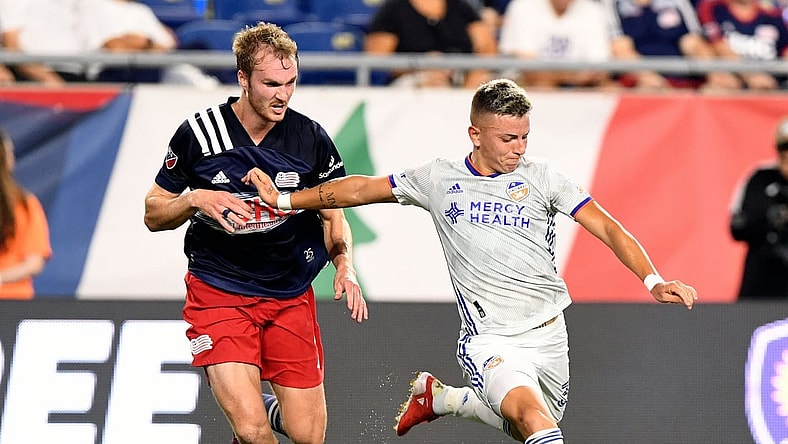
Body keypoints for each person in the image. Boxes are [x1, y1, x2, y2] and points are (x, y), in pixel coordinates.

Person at [243, 78, 698, 443]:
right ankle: (453, 399)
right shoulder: (439, 178)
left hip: (549, 332)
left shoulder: (544, 178)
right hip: (489, 340)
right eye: (507, 139)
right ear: (475, 134)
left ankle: (440, 399)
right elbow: (359, 188)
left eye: (523, 137)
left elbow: (608, 227)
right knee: (534, 419)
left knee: (529, 426)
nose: (518, 149)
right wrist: (284, 201)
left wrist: (652, 279)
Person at [143, 21, 368, 444]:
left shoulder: (310, 138)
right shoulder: (199, 134)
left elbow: (332, 213)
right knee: (252, 431)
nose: (282, 94)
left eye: (291, 82)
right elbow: (154, 212)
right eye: (270, 83)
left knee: (308, 436)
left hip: (288, 295)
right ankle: (247, 408)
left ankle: (253, 401)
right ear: (242, 79)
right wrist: (194, 199)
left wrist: (345, 264)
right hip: (219, 292)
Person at [603, 0, 741, 90]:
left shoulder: (677, 2)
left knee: (722, 89)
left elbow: (695, 41)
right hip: (641, 80)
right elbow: (619, 48)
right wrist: (654, 81)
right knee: (645, 91)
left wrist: (715, 74)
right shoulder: (612, 4)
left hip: (684, 77)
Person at [364, 0, 498, 88]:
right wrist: (421, 64)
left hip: (460, 75)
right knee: (432, 84)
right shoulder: (393, 10)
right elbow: (378, 60)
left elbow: (487, 48)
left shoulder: (460, 7)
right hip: (412, 76)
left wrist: (473, 77)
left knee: (489, 86)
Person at [729, 116, 788, 299]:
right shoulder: (760, 178)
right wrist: (768, 216)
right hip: (763, 276)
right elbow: (738, 227)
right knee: (752, 322)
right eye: (784, 152)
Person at [498, 0, 615, 89]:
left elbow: (599, 70)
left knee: (609, 89)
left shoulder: (592, 10)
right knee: (542, 86)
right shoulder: (522, 6)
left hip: (580, 89)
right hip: (526, 89)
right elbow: (529, 71)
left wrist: (563, 77)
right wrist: (574, 76)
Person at [0, 128, 52, 299]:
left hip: (13, 304)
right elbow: (34, 263)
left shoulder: (25, 205)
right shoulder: (26, 204)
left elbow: (34, 263)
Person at [696, 0, 788, 90]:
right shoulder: (714, 7)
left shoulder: (772, 14)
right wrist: (752, 75)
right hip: (733, 79)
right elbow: (718, 46)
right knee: (712, 91)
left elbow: (785, 51)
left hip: (770, 83)